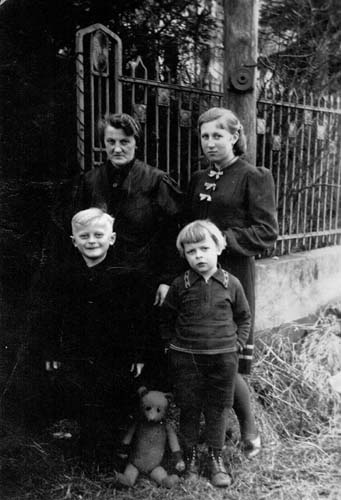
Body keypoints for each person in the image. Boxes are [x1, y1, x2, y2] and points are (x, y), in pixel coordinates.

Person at [185, 107, 278, 458]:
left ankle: (250, 430)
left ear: (235, 137)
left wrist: (221, 239)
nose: (210, 143)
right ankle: (217, 433)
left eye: (217, 136)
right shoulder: (197, 178)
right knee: (204, 351)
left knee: (227, 356)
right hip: (198, 276)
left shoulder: (253, 176)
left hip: (233, 276)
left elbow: (267, 233)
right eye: (205, 136)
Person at [74, 113, 183, 387]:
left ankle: (147, 415)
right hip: (102, 282)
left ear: (136, 143)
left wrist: (166, 280)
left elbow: (173, 234)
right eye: (111, 141)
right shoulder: (90, 181)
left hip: (143, 281)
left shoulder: (156, 182)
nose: (117, 148)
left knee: (142, 348)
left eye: (124, 141)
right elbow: (80, 229)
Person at [32, 207, 147, 461]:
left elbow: (138, 319)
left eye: (98, 235)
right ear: (74, 241)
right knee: (83, 396)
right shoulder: (63, 275)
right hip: (78, 351)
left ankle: (111, 451)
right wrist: (52, 350)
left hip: (114, 352)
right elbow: (51, 316)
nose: (92, 241)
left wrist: (137, 353)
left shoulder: (126, 275)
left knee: (112, 398)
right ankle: (86, 447)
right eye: (84, 236)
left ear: (112, 238)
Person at [160, 220, 251, 487]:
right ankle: (188, 461)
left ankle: (215, 459)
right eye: (191, 251)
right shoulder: (181, 284)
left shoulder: (231, 283)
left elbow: (244, 317)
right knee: (189, 409)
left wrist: (238, 344)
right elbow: (166, 319)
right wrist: (170, 346)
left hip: (223, 359)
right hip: (187, 359)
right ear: (184, 255)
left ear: (219, 249)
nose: (198, 256)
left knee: (218, 409)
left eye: (204, 248)